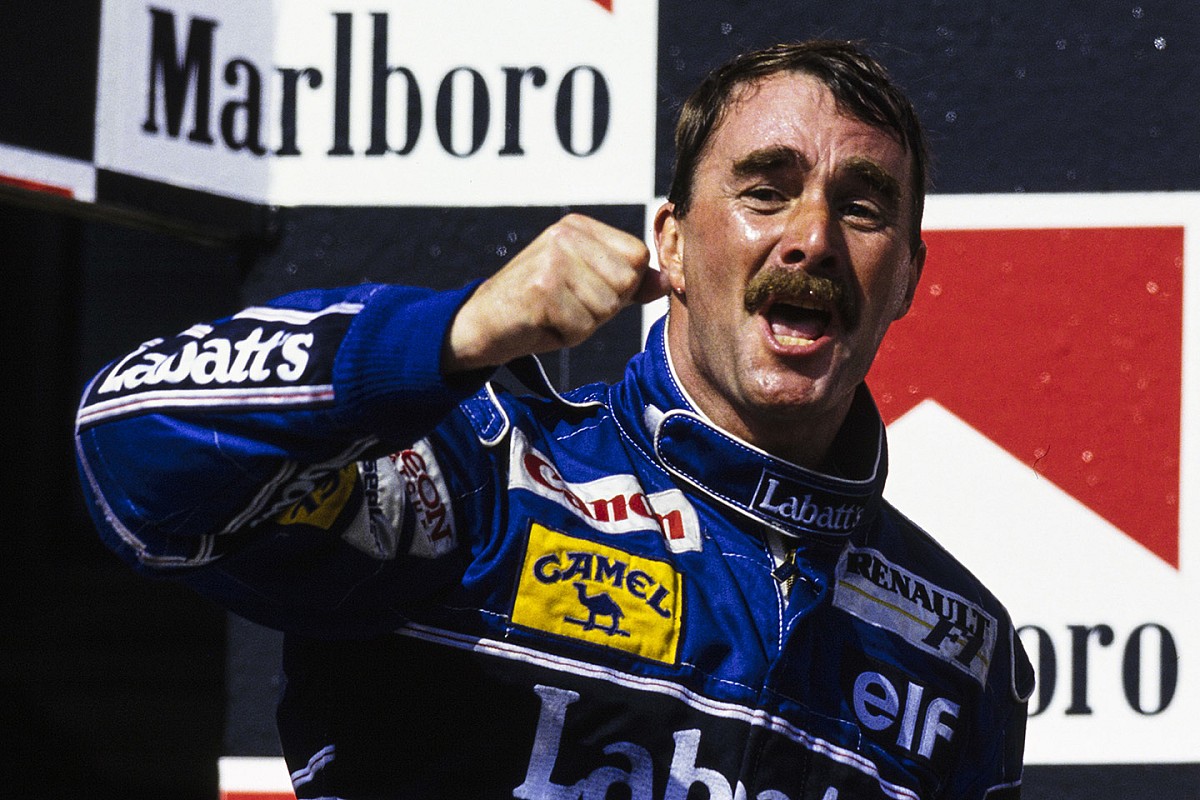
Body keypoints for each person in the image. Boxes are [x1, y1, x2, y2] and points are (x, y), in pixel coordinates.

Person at [76, 40, 1033, 800]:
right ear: (672, 244)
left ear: (907, 277)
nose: (812, 237)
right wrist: (452, 334)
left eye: (861, 209)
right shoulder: (486, 479)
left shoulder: (960, 652)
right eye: (765, 192)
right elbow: (132, 457)